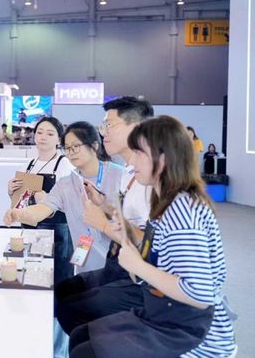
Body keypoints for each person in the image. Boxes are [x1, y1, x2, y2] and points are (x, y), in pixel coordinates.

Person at [69, 116, 236, 358]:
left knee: (86, 349)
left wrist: (137, 265)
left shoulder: (181, 210)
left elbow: (200, 294)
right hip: (164, 312)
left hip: (190, 333)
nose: (132, 160)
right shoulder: (168, 200)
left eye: (140, 153)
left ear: (164, 158)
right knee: (81, 337)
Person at [56, 96, 153, 341]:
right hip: (119, 264)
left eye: (109, 125)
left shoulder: (150, 176)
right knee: (63, 292)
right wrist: (106, 206)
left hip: (141, 278)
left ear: (135, 127)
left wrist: (101, 222)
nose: (103, 133)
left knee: (73, 311)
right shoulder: (128, 172)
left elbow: (150, 245)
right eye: (103, 126)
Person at [4, 122, 125, 274]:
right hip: (85, 257)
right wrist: (18, 213)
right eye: (67, 148)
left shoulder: (120, 175)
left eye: (76, 146)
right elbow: (43, 208)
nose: (71, 152)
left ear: (94, 146)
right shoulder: (66, 183)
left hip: (121, 265)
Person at [7, 116, 75, 283]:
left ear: (59, 139)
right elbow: (20, 202)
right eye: (40, 132)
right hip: (30, 228)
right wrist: (11, 191)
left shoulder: (65, 165)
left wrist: (49, 200)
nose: (43, 137)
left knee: (58, 278)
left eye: (50, 134)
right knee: (34, 275)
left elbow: (75, 204)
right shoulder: (27, 165)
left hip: (57, 232)